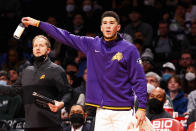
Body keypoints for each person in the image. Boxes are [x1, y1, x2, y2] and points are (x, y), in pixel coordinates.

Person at [21, 11, 147, 131]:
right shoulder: (92, 44)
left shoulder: (129, 49)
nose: (108, 26)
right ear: (101, 27)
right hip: (101, 111)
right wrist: (38, 23)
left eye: (111, 23)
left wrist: (141, 107)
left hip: (123, 111)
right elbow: (64, 35)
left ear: (118, 27)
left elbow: (139, 79)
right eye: (105, 23)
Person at [0, 35, 72, 131]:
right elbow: (13, 90)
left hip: (51, 124)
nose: (38, 48)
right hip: (30, 125)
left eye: (41, 45)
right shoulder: (26, 71)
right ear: (33, 50)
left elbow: (67, 92)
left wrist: (61, 103)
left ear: (48, 50)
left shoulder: (56, 70)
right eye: (35, 46)